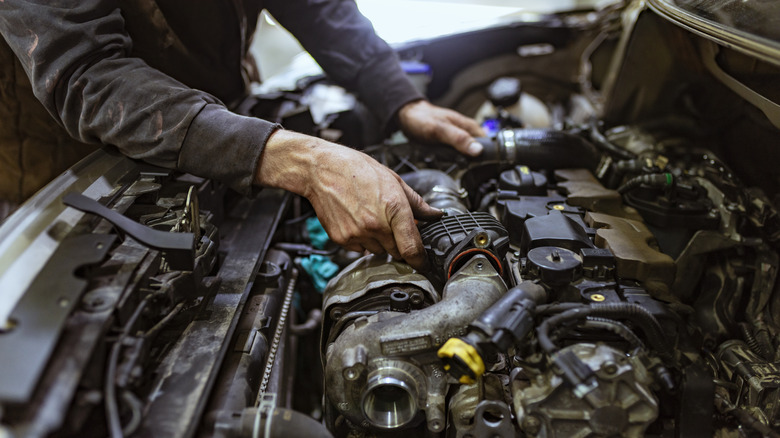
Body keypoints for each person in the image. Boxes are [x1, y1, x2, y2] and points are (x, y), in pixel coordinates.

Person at [0, 1, 485, 269]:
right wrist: (304, 161)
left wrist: (399, 97)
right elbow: (87, 72)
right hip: (68, 169)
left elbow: (317, 7)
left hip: (215, 117)